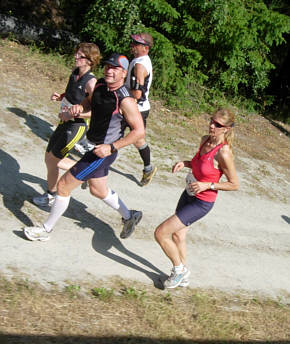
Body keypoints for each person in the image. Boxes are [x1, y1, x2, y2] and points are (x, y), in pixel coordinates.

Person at [24, 53, 145, 241]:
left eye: (114, 68)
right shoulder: (100, 85)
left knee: (63, 186)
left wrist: (111, 147)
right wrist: (79, 108)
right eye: (107, 66)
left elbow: (139, 132)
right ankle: (130, 216)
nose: (109, 70)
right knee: (98, 190)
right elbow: (89, 102)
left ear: (123, 73)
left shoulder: (125, 100)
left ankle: (45, 231)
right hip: (91, 145)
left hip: (102, 153)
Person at [154, 108, 239, 289]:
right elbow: (197, 163)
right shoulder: (205, 140)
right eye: (211, 121)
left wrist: (208, 185)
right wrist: (184, 163)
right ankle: (183, 275)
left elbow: (234, 184)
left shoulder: (223, 153)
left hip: (202, 202)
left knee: (161, 233)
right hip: (189, 193)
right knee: (178, 235)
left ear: (227, 129)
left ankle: (178, 270)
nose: (211, 125)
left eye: (218, 124)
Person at [33, 42, 100, 207]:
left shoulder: (92, 83)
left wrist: (74, 113)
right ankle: (51, 193)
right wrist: (60, 96)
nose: (76, 57)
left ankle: (84, 174)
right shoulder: (75, 73)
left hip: (76, 126)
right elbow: (72, 94)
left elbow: (98, 111)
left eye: (80, 56)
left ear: (90, 61)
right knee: (48, 158)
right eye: (76, 53)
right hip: (64, 121)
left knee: (55, 160)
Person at [125, 33, 157, 186]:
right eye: (132, 42)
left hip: (134, 108)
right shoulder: (141, 60)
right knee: (138, 140)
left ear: (146, 48)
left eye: (136, 43)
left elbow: (137, 93)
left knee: (111, 132)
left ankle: (92, 162)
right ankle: (148, 168)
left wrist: (121, 95)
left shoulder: (140, 65)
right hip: (139, 108)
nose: (132, 45)